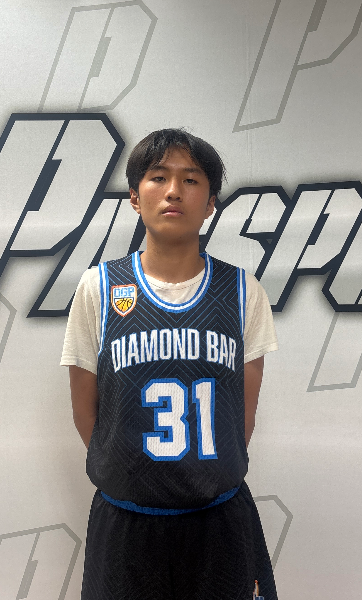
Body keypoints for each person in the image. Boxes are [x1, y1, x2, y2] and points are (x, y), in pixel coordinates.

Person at [61, 128, 279, 600]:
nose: (174, 191)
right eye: (158, 177)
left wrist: (203, 478)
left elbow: (242, 416)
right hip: (126, 521)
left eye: (191, 180)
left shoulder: (243, 292)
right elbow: (86, 413)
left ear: (211, 203)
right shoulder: (99, 288)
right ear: (135, 197)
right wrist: (131, 472)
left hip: (219, 518)